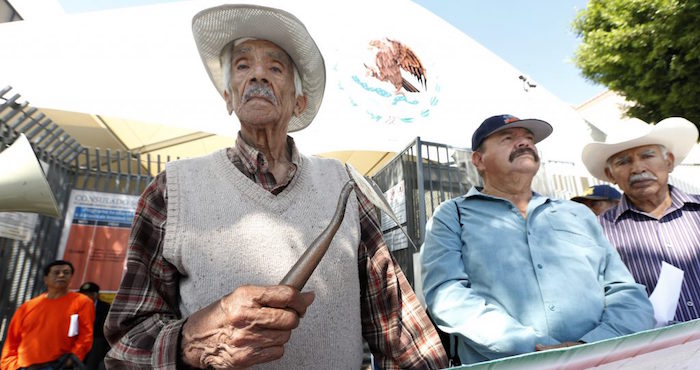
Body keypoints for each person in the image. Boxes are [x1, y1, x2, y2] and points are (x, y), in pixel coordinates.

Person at [103, 4, 447, 369]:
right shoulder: (172, 190)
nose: (258, 76)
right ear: (228, 97)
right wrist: (190, 342)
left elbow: (397, 323)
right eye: (242, 65)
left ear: (299, 101)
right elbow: (125, 343)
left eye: (276, 68)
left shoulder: (344, 184)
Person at [420, 114, 654, 365]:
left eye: (529, 139)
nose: (524, 143)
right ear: (478, 159)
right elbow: (447, 297)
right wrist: (536, 348)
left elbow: (626, 293)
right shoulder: (452, 215)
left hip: (601, 361)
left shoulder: (577, 214)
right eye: (508, 138)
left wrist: (592, 345)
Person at [582, 117, 700, 322]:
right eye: (623, 162)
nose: (638, 168)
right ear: (611, 175)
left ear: (669, 161)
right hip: (660, 350)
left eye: (647, 156)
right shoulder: (599, 231)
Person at [1, 260, 95, 370]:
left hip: (59, 365)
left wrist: (72, 359)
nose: (61, 275)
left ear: (71, 278)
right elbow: (12, 339)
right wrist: (9, 365)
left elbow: (86, 336)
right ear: (46, 279)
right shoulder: (27, 307)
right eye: (56, 272)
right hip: (23, 366)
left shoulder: (82, 302)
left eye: (66, 273)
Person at [78, 282, 111, 370]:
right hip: (80, 337)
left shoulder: (105, 307)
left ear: (95, 295)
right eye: (82, 295)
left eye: (86, 295)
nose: (83, 297)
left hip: (96, 338)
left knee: (97, 343)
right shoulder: (77, 306)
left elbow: (104, 328)